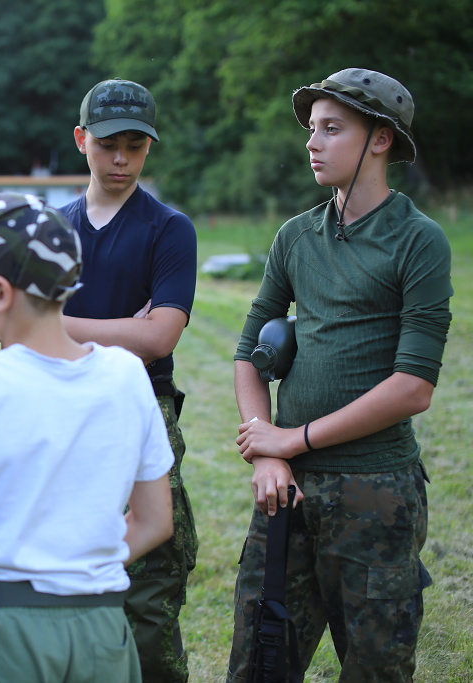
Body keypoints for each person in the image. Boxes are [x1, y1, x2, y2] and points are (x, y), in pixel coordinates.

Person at [229, 68, 452, 682]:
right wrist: (267, 453)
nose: (312, 142)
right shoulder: (295, 237)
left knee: (375, 669)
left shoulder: (418, 241)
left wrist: (292, 440)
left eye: (332, 128)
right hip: (287, 494)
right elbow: (249, 351)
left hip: (377, 494)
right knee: (260, 663)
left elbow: (414, 388)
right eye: (311, 129)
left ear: (380, 140)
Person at [0, 192, 175, 683]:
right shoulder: (126, 375)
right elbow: (155, 522)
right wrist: (74, 564)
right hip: (101, 630)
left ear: (2, 293)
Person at [60, 78, 198, 681]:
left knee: (149, 591)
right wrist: (124, 329)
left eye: (135, 146)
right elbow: (15, 334)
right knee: (64, 579)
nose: (120, 159)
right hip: (61, 415)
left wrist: (58, 325)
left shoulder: (168, 229)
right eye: (109, 143)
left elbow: (160, 338)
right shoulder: (51, 229)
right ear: (81, 139)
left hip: (142, 413)